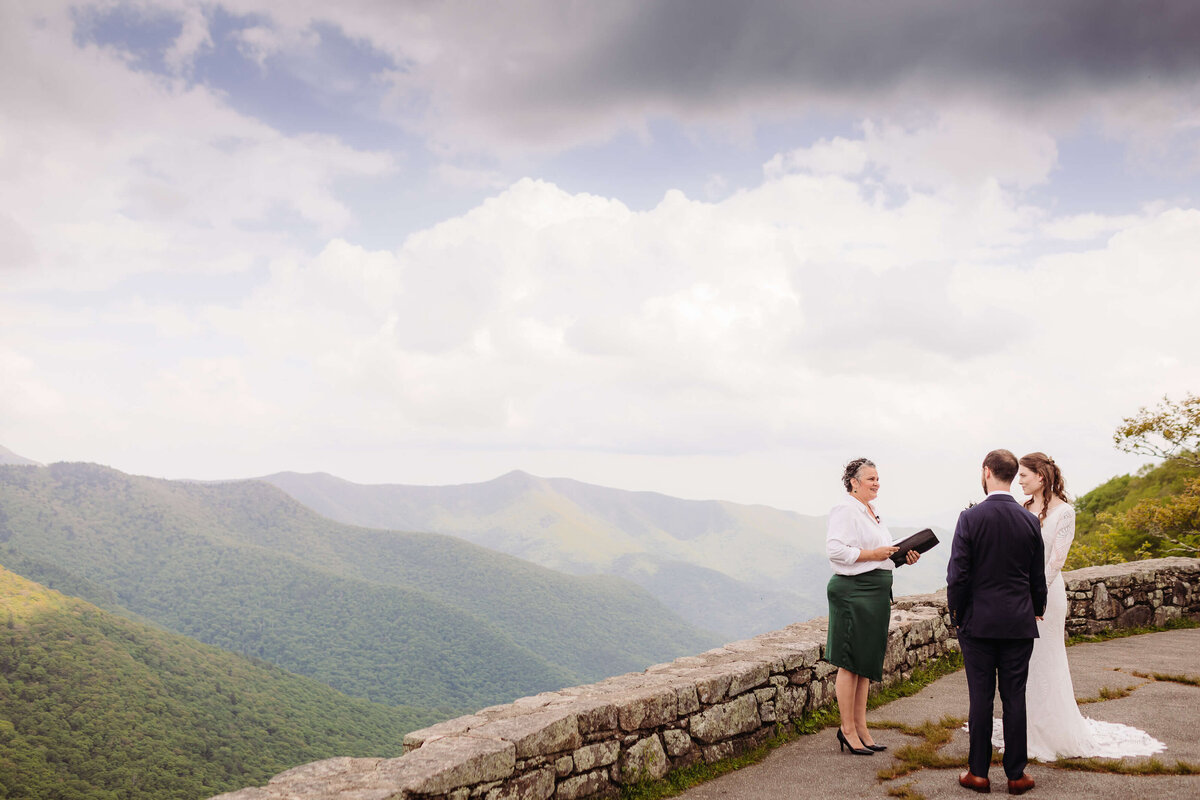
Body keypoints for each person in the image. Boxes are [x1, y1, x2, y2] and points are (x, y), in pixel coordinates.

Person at [984, 452, 1166, 760]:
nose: (1020, 482)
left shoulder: (1065, 512)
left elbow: (1056, 560)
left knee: (1047, 659)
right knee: (1025, 664)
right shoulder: (1023, 508)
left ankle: (1051, 730)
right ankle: (1024, 727)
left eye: (1024, 477)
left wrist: (1033, 591)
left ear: (1040, 477)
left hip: (1047, 595)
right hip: (1019, 593)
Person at [947, 449, 1046, 795]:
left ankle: (978, 774)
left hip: (978, 624)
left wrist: (956, 615)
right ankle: (1017, 775)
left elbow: (957, 575)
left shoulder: (970, 518)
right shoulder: (1029, 520)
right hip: (1019, 622)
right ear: (1012, 473)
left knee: (981, 698)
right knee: (1014, 697)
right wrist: (1037, 608)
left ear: (987, 472)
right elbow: (1037, 576)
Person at [826, 457, 920, 756]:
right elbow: (835, 550)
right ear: (853, 482)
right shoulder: (845, 509)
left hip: (876, 592)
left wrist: (901, 557)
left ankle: (862, 727)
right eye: (871, 478)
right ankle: (847, 729)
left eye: (878, 478)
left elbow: (881, 556)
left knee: (865, 664)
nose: (877, 483)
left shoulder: (873, 511)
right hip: (854, 592)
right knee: (850, 662)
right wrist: (874, 554)